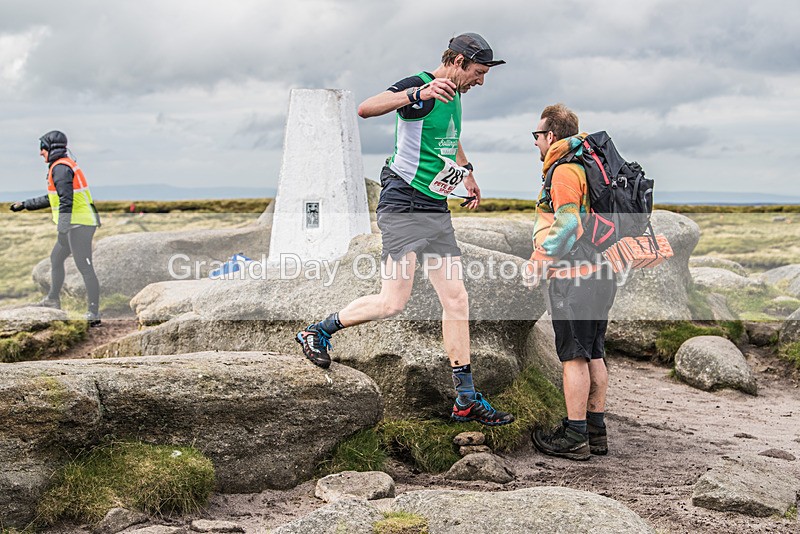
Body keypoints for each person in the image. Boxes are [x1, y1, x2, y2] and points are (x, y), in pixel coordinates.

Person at [296, 33, 514, 426]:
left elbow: (449, 137)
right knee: (393, 302)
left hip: (434, 206)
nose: (482, 81)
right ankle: (317, 331)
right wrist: (416, 94)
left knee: (457, 299)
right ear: (460, 61)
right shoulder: (422, 86)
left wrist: (467, 173)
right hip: (402, 204)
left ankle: (465, 396)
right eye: (480, 72)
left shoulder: (455, 94)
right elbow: (366, 108)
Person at [524, 104, 618, 460]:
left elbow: (567, 226)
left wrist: (538, 261)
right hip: (603, 271)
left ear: (551, 136)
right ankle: (597, 431)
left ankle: (575, 434)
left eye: (537, 136)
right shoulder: (589, 167)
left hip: (574, 275)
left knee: (573, 356)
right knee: (594, 350)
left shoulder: (564, 171)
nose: (535, 143)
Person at [10, 130, 102, 326]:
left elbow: (66, 201)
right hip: (75, 223)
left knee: (85, 267)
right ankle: (53, 299)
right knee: (56, 258)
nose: (40, 153)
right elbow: (52, 198)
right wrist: (26, 204)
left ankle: (93, 313)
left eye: (42, 148)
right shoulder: (60, 167)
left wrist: (62, 229)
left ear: (50, 148)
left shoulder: (60, 168)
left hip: (80, 225)